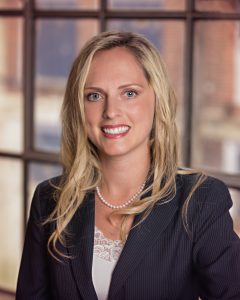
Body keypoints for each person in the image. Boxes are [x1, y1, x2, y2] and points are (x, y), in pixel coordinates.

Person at [16, 31, 240, 300]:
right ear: (78, 106)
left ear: (157, 100)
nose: (111, 111)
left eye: (129, 93)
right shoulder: (49, 199)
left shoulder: (200, 200)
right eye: (95, 96)